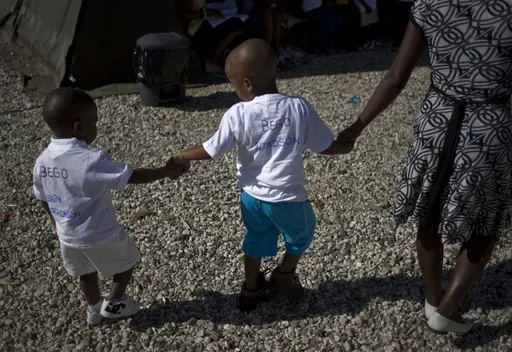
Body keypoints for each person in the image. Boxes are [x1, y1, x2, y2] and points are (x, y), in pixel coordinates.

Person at [337, 0, 512, 334]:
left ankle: (433, 300)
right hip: (488, 125)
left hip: (436, 120)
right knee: (485, 223)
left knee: (428, 210)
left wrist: (355, 128)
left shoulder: (429, 3)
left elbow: (396, 77)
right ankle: (447, 309)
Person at [178, 38, 354, 312]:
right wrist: (345, 144)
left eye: (234, 84)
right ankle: (284, 275)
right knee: (302, 234)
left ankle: (251, 289)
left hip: (251, 198)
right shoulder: (298, 107)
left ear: (247, 84)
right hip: (288, 198)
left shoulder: (238, 113)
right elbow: (324, 146)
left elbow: (211, 150)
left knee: (256, 238)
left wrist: (182, 156)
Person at [32, 88, 189, 325]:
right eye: (94, 121)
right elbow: (130, 175)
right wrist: (165, 171)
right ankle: (114, 303)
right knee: (127, 263)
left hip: (67, 235)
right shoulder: (90, 159)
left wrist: (55, 222)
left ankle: (94, 310)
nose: (97, 126)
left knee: (85, 272)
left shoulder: (42, 161)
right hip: (99, 232)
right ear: (79, 127)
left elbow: (42, 196)